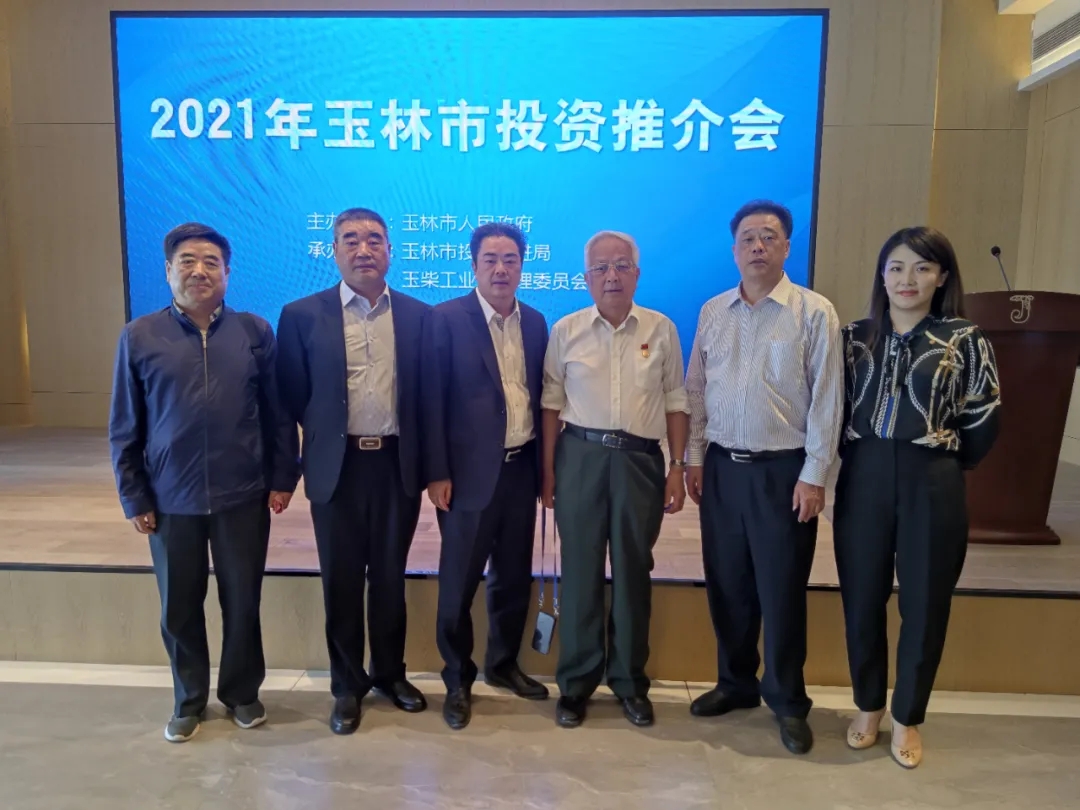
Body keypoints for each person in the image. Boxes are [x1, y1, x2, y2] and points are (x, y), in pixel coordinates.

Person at [109, 222, 299, 743]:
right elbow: (125, 426)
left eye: (211, 262)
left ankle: (241, 693)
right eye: (187, 262)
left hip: (244, 494)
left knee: (243, 601)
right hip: (171, 497)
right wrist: (134, 495)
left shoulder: (254, 332)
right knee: (179, 606)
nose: (199, 271)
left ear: (227, 273)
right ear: (168, 271)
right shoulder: (139, 336)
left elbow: (278, 415)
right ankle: (188, 699)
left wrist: (283, 476)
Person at [834, 227, 1000, 769]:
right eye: (897, 267)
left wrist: (942, 461)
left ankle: (907, 716)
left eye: (923, 267)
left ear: (942, 277)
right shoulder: (854, 337)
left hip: (933, 478)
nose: (908, 279)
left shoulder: (965, 337)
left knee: (925, 604)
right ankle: (868, 707)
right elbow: (832, 411)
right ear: (882, 275)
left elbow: (982, 417)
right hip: (864, 476)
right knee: (862, 598)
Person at [685, 200, 843, 755]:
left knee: (781, 591)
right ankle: (735, 683)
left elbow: (827, 399)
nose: (758, 246)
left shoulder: (814, 312)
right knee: (727, 584)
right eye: (748, 237)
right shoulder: (713, 311)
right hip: (722, 469)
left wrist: (814, 475)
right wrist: (695, 457)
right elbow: (696, 389)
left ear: (787, 247)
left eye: (769, 237)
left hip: (784, 473)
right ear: (734, 250)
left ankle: (788, 700)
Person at [276, 208, 430, 734]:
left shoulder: (418, 315)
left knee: (389, 576)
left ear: (390, 250)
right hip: (336, 468)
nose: (364, 249)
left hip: (395, 463)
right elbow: (291, 398)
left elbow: (426, 401)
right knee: (340, 581)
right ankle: (347, 685)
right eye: (351, 240)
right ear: (334, 251)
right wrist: (289, 471)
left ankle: (390, 674)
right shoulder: (301, 315)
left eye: (374, 240)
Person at [541, 230, 689, 729]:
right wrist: (547, 471)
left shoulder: (662, 329)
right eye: (601, 268)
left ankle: (629, 682)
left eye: (621, 266)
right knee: (580, 573)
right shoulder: (566, 331)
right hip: (579, 458)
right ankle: (576, 683)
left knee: (632, 572)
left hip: (639, 463)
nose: (611, 276)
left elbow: (676, 400)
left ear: (637, 274)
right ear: (585, 278)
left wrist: (676, 466)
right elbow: (551, 405)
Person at [421, 222, 550, 730]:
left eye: (510, 260)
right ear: (474, 265)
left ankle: (503, 664)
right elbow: (430, 401)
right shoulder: (446, 319)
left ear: (522, 265)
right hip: (466, 477)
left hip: (520, 471)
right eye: (491, 259)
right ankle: (457, 678)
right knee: (459, 582)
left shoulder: (535, 322)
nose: (501, 269)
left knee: (513, 576)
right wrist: (436, 472)